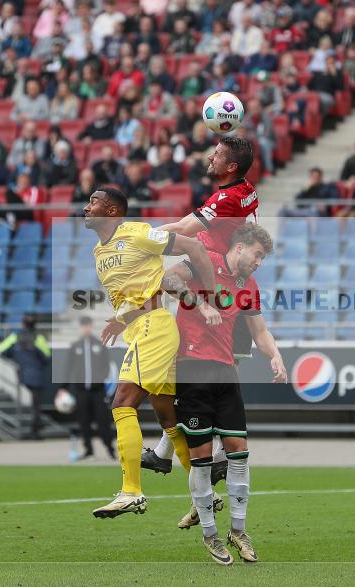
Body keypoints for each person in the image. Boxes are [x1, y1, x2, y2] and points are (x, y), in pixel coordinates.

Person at [84, 187, 217, 519]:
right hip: (139, 328)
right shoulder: (98, 250)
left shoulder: (139, 233)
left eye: (94, 203)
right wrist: (120, 319)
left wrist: (211, 298)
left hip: (153, 329)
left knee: (122, 401)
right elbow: (138, 289)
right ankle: (205, 495)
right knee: (167, 418)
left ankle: (131, 491)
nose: (86, 208)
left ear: (112, 211)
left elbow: (193, 247)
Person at [162, 223, 286, 564]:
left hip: (225, 371)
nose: (259, 262)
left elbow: (259, 331)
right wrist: (200, 306)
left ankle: (239, 530)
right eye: (258, 255)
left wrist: (275, 355)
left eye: (263, 258)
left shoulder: (249, 286)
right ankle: (210, 534)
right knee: (201, 460)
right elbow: (169, 280)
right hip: (191, 370)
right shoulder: (206, 262)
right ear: (241, 246)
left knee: (239, 451)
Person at [141, 137, 260, 485]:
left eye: (219, 154)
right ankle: (168, 453)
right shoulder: (245, 188)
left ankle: (208, 456)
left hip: (218, 281)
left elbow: (180, 230)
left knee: (201, 374)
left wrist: (138, 239)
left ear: (231, 167)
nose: (211, 156)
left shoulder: (227, 199)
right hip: (227, 282)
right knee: (207, 373)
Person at [66, 316, 115, 459]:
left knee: (103, 421)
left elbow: (106, 366)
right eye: (83, 326)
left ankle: (110, 450)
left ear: (91, 326)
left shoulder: (99, 345)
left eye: (87, 325)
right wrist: (65, 388)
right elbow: (70, 368)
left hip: (97, 391)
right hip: (81, 391)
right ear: (80, 327)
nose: (85, 328)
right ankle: (88, 450)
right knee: (83, 421)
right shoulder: (75, 346)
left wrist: (100, 379)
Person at [0, 314, 52, 440]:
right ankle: (35, 431)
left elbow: (2, 350)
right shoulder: (39, 338)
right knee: (36, 406)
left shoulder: (14, 337)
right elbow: (47, 357)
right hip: (37, 376)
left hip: (21, 375)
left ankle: (33, 429)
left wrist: (16, 357)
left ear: (23, 324)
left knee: (32, 406)